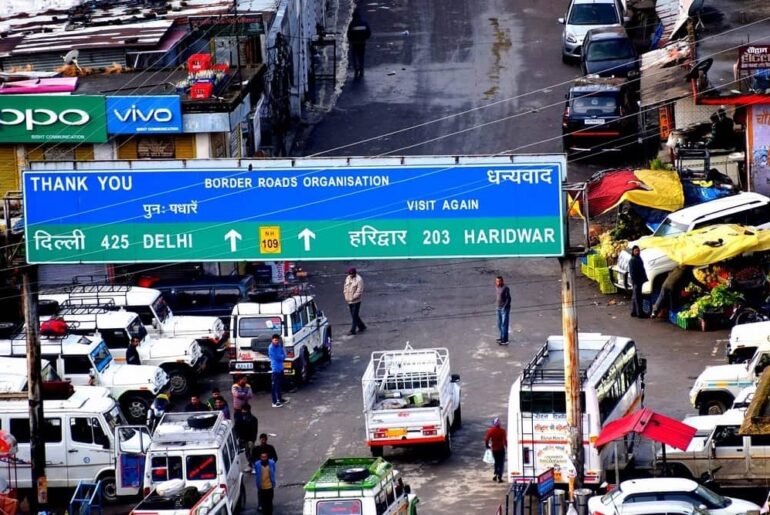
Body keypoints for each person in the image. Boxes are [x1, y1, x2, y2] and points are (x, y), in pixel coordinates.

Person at [347, 10, 371, 78]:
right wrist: (364, 38)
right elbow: (368, 32)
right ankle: (361, 69)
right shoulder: (364, 22)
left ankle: (356, 69)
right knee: (361, 56)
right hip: (362, 42)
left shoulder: (352, 23)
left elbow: (349, 34)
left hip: (354, 43)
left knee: (354, 56)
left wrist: (351, 40)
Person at [235, 404, 259, 471]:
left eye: (245, 410)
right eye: (242, 410)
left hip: (249, 439)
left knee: (251, 453)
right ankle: (251, 465)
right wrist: (237, 437)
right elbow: (236, 428)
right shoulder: (239, 418)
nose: (243, 411)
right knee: (247, 453)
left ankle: (254, 466)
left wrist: (252, 440)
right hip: (242, 438)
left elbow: (254, 431)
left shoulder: (253, 419)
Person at [343, 267, 366, 335]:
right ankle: (362, 326)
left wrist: (353, 297)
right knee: (353, 315)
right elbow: (345, 287)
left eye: (351, 274)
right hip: (349, 299)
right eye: (349, 273)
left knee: (354, 315)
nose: (350, 275)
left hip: (356, 301)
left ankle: (352, 330)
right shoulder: (348, 278)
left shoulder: (359, 280)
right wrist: (346, 295)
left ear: (354, 273)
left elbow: (359, 290)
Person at [484, 417, 507, 483]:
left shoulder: (491, 430)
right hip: (501, 449)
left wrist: (487, 446)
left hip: (494, 449)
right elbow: (505, 441)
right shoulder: (502, 431)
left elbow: (486, 439)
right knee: (501, 463)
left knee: (496, 462)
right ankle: (500, 477)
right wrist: (507, 446)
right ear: (499, 424)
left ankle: (495, 474)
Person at [628, 245, 648, 318]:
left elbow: (642, 270)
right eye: (636, 251)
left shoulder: (639, 258)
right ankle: (640, 313)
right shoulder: (632, 260)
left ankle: (633, 312)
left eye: (638, 250)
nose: (637, 252)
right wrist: (635, 282)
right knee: (638, 297)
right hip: (637, 281)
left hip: (640, 280)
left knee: (635, 296)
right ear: (633, 252)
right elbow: (632, 273)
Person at [268, 334, 287, 408]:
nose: (276, 341)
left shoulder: (279, 346)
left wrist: (283, 356)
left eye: (277, 340)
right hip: (275, 369)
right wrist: (283, 357)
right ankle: (274, 402)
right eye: (275, 340)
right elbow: (277, 357)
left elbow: (283, 354)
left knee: (279, 384)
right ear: (272, 340)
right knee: (274, 386)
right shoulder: (271, 348)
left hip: (280, 368)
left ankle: (280, 398)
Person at [495, 276, 511, 345]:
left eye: (499, 281)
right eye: (497, 281)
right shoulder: (497, 287)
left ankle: (505, 340)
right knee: (499, 324)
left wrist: (504, 307)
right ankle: (502, 337)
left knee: (504, 324)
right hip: (498, 308)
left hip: (504, 309)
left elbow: (509, 299)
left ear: (502, 281)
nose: (498, 282)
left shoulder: (505, 288)